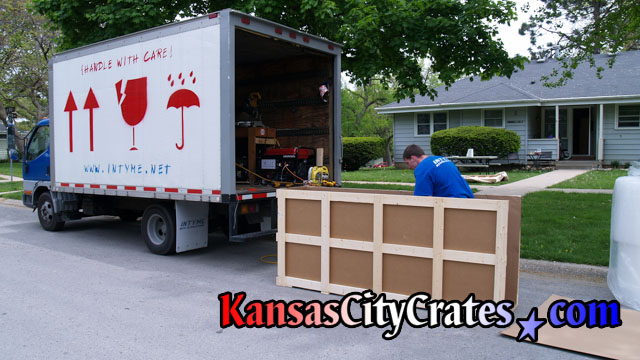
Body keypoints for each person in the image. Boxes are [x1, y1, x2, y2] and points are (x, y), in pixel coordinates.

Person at [403, 144, 474, 198]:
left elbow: (423, 199)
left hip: (454, 204)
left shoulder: (422, 168)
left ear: (413, 158)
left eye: (407, 163)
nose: (409, 167)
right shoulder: (443, 159)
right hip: (469, 199)